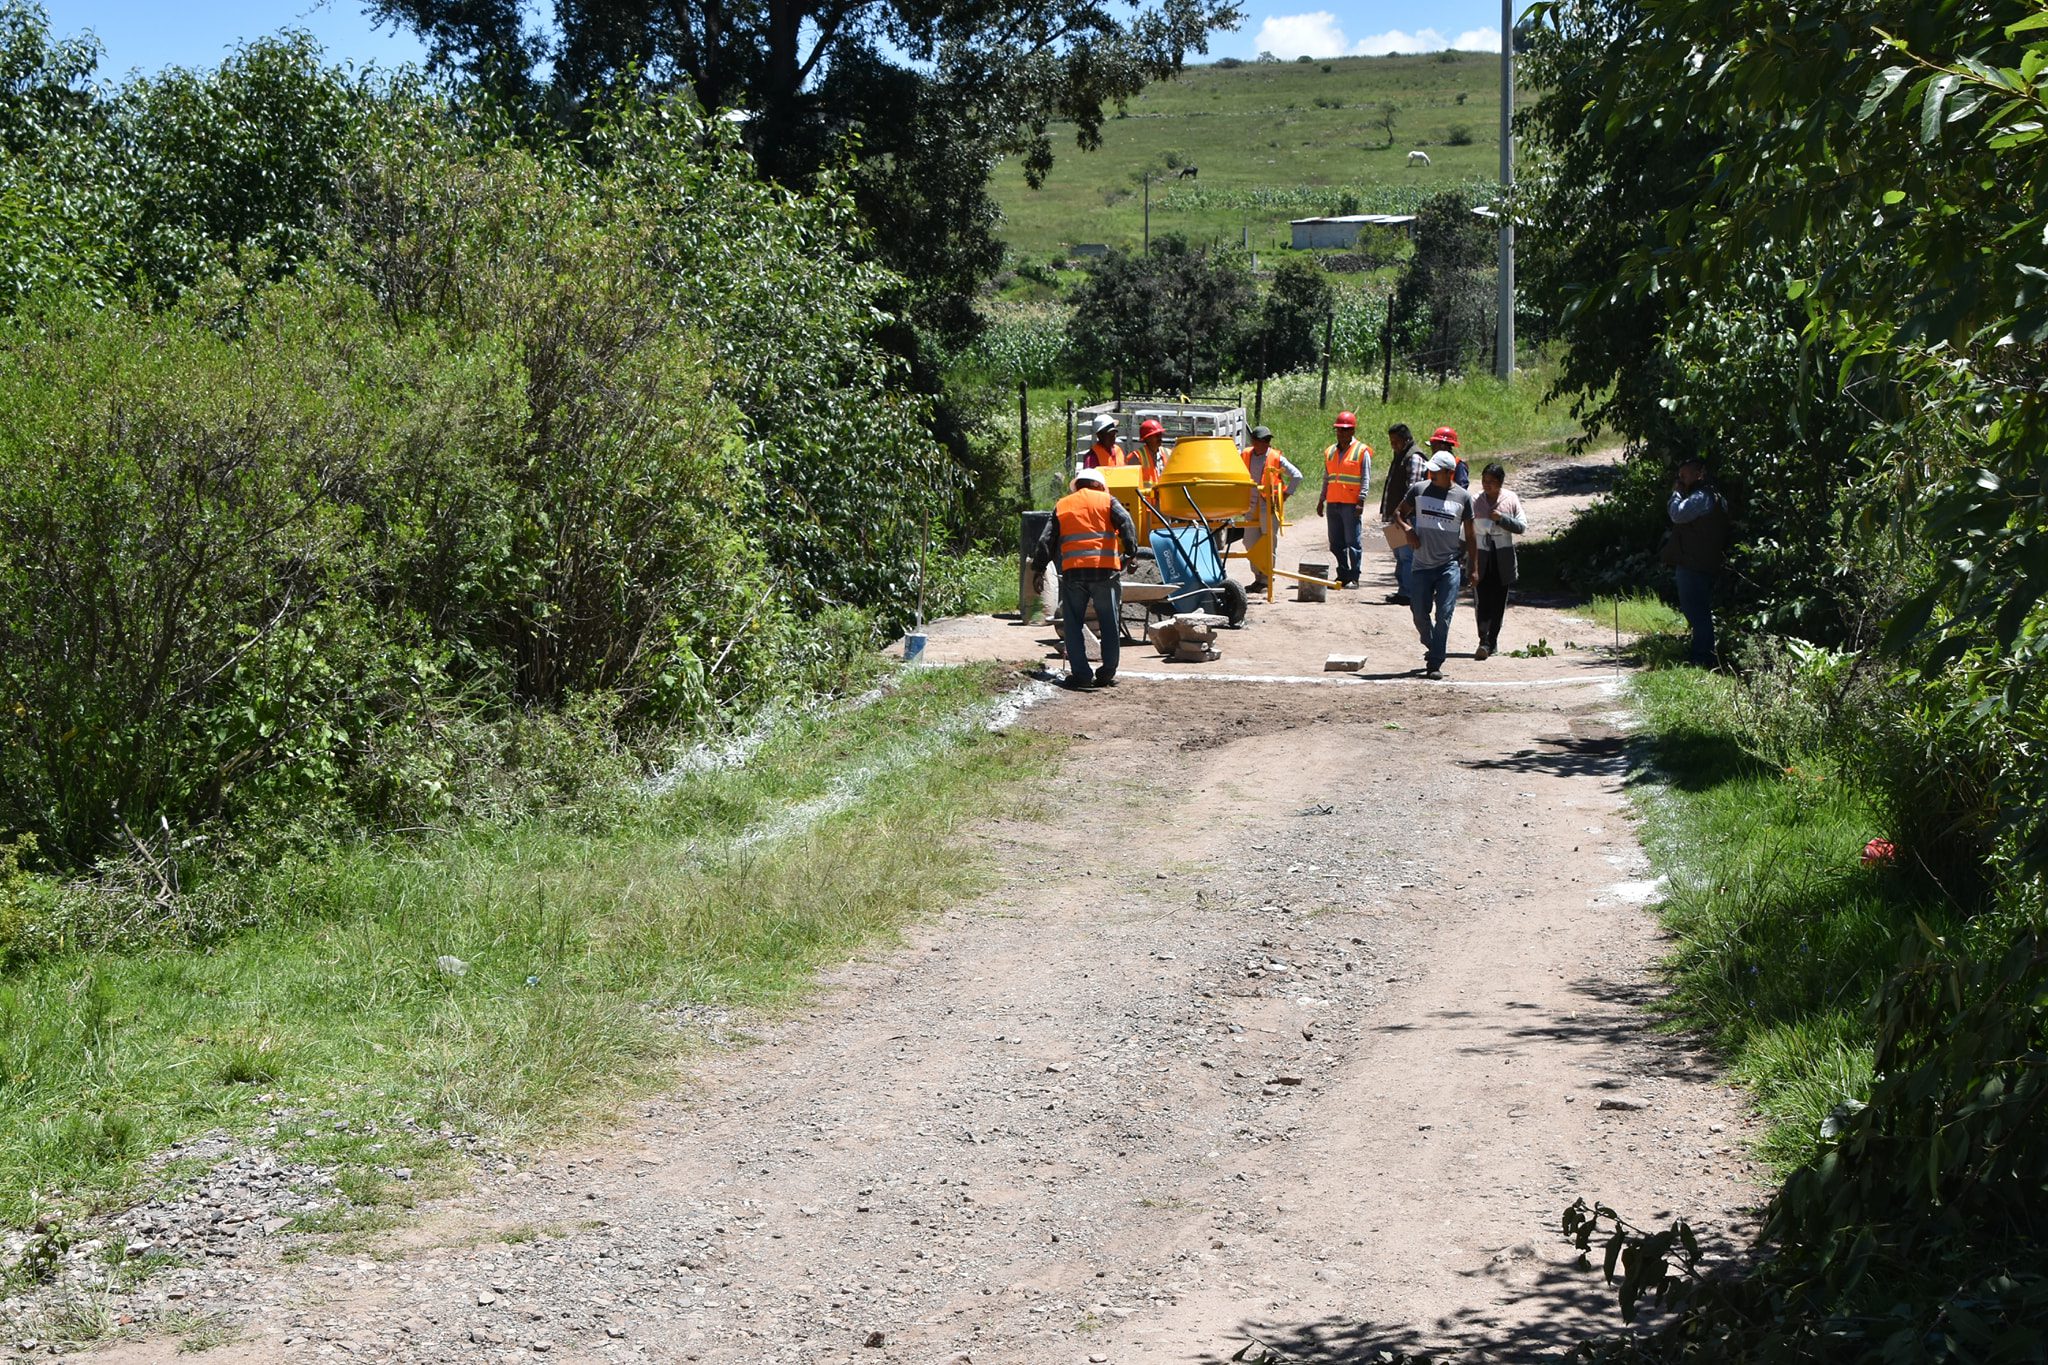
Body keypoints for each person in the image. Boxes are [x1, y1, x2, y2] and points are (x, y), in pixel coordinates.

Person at [1032, 468, 1140, 690]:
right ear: (1099, 485)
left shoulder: (1063, 505)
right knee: (1109, 623)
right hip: (1105, 571)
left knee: (1073, 624)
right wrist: (1131, 552)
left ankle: (1081, 675)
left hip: (1074, 573)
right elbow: (1126, 523)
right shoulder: (1107, 501)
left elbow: (1046, 540)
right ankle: (1107, 673)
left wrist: (1039, 569)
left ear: (1078, 485)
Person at [1394, 451, 1477, 679]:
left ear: (1449, 473)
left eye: (1436, 471)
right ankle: (1431, 643)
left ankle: (1435, 662)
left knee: (1445, 613)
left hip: (1448, 565)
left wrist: (1473, 567)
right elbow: (1398, 514)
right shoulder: (1419, 490)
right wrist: (1408, 530)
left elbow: (1471, 536)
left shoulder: (1463, 497)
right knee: (1419, 612)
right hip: (1421, 565)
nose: (1431, 473)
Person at [1664, 456, 1731, 668]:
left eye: (1684, 475)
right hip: (1702, 560)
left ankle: (1702, 657)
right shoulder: (1713, 494)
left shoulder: (1701, 496)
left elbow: (1677, 514)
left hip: (1695, 563)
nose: (1681, 479)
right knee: (1698, 610)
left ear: (1699, 473)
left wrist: (1675, 493)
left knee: (1696, 611)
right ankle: (1703, 653)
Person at [1470, 462, 1527, 660]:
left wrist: (1502, 518)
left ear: (1500, 483)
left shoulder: (1510, 499)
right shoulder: (1475, 500)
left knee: (1498, 602)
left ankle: (1492, 640)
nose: (1487, 486)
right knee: (1482, 600)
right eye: (1485, 481)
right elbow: (1466, 532)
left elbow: (1521, 526)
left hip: (1502, 559)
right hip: (1481, 557)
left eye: (1492, 482)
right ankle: (1483, 640)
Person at [1240, 425, 1301, 592]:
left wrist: (1287, 494)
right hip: (1251, 506)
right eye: (1263, 441)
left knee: (1268, 542)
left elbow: (1297, 475)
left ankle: (1266, 580)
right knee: (1250, 543)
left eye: (1268, 441)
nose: (1267, 444)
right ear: (1255, 442)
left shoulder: (1276, 457)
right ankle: (1257, 578)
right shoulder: (1245, 455)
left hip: (1268, 506)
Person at [1315, 412, 1372, 588]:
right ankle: (1343, 573)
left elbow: (1365, 478)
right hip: (1333, 503)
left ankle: (1354, 576)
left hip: (1351, 504)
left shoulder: (1362, 451)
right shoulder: (1330, 451)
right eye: (1339, 430)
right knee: (1336, 542)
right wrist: (1321, 499)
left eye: (1345, 430)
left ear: (1352, 430)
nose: (1341, 433)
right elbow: (1327, 478)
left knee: (1352, 542)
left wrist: (1361, 500)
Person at [1378, 422, 1428, 605]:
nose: (1393, 445)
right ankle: (1403, 590)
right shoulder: (1400, 455)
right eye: (1391, 442)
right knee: (1400, 556)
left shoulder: (1413, 457)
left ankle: (1408, 593)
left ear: (1406, 439)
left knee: (1407, 556)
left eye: (1396, 441)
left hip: (1407, 518)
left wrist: (1402, 516)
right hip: (1396, 517)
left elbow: (1412, 491)